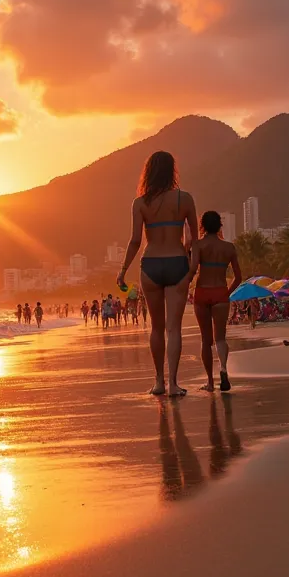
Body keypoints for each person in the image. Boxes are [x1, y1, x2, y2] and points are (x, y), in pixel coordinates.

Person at [117, 151, 197, 397]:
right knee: (174, 328)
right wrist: (190, 263)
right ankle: (174, 384)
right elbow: (193, 238)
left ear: (148, 171)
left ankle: (159, 382)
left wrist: (122, 271)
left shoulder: (140, 203)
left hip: (150, 265)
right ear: (172, 170)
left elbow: (134, 241)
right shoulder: (184, 199)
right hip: (177, 263)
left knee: (156, 327)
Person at [191, 211, 242, 392]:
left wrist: (181, 286)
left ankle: (210, 383)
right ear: (220, 225)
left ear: (202, 226)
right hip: (220, 292)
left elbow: (192, 270)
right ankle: (223, 368)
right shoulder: (229, 248)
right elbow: (238, 277)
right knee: (220, 338)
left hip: (202, 292)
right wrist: (225, 293)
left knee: (206, 341)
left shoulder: (198, 245)